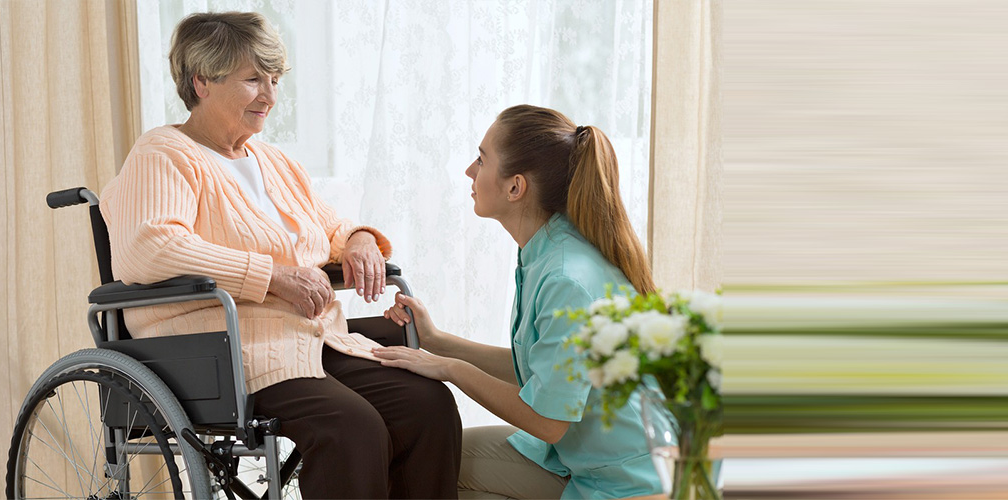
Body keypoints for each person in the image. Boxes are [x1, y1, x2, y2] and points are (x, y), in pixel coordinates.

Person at [100, 11, 460, 499]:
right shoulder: (164, 153)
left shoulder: (272, 160)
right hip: (224, 349)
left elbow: (327, 226)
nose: (269, 95)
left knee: (426, 404)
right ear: (201, 81)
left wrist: (358, 239)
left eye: (274, 79)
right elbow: (149, 248)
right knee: (351, 428)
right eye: (253, 80)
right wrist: (271, 276)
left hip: (309, 338)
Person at [374, 105, 664, 499]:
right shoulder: (547, 252)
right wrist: (437, 341)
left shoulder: (566, 278)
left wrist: (450, 368)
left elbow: (547, 420)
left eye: (481, 159)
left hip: (630, 484)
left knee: (429, 474)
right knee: (425, 462)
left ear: (515, 187)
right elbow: (542, 374)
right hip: (583, 461)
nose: (469, 172)